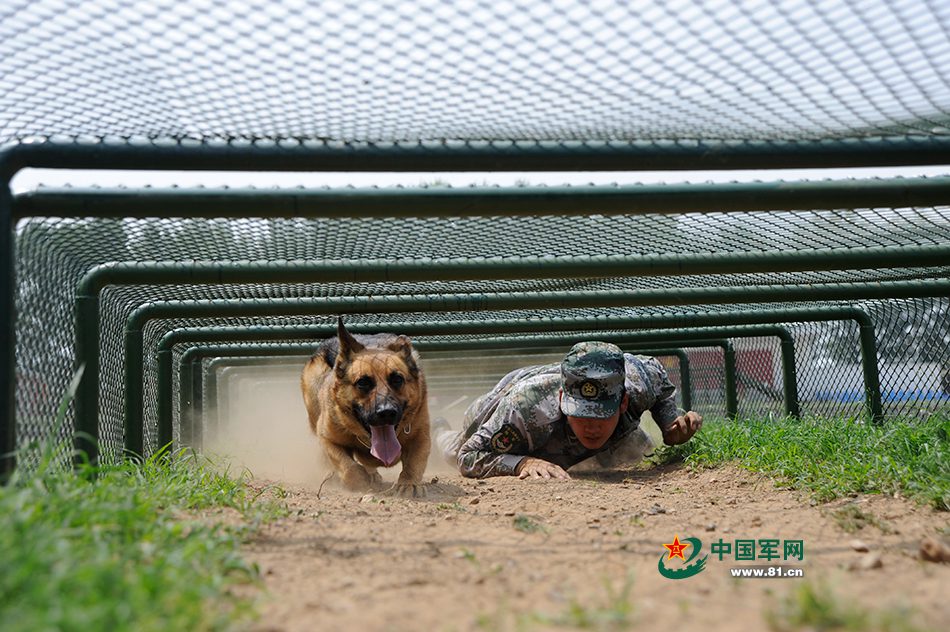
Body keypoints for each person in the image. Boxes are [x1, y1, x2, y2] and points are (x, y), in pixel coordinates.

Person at [433, 341, 703, 479]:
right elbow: (469, 456)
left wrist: (669, 425)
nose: (592, 426)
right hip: (500, 404)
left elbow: (659, 377)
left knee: (642, 451)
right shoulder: (524, 408)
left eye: (601, 414)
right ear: (563, 399)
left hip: (594, 435)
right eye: (582, 413)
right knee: (451, 451)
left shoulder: (639, 381)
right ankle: (439, 429)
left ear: (622, 403)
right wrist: (522, 463)